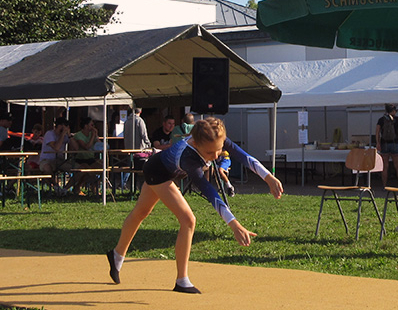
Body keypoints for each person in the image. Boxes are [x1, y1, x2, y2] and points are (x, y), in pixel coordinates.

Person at [106, 116, 283, 293]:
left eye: (219, 151)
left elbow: (243, 156)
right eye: (209, 153)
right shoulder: (189, 158)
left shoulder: (214, 137)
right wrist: (234, 224)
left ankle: (116, 256)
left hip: (163, 168)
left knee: (141, 212)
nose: (214, 157)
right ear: (197, 144)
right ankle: (182, 280)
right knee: (188, 220)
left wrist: (268, 177)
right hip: (158, 173)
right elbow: (210, 192)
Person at [67, 116, 100, 195]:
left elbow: (99, 145)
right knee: (86, 170)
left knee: (102, 167)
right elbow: (86, 147)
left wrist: (96, 136)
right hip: (80, 159)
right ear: (86, 126)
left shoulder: (92, 134)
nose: (93, 127)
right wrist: (92, 137)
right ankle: (74, 187)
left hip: (91, 158)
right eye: (91, 125)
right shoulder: (78, 135)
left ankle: (91, 186)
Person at [39, 118, 74, 192]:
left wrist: (69, 135)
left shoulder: (65, 136)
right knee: (47, 169)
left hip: (60, 160)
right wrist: (62, 135)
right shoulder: (49, 134)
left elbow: (75, 148)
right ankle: (56, 186)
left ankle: (65, 189)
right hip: (47, 159)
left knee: (78, 169)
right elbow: (56, 148)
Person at [375, 104, 398, 188]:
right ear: (393, 111)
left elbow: (377, 132)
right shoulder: (397, 119)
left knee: (385, 166)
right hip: (395, 143)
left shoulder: (381, 120)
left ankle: (384, 185)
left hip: (384, 144)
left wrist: (378, 143)